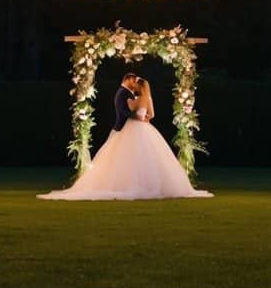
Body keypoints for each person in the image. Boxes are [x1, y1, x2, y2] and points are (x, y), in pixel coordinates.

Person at [38, 75, 212, 201]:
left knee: (125, 156)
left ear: (139, 87)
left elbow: (129, 110)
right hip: (146, 128)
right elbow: (152, 114)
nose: (135, 86)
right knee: (148, 158)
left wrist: (136, 112)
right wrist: (146, 119)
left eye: (137, 84)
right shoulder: (148, 98)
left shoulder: (135, 99)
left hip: (133, 127)